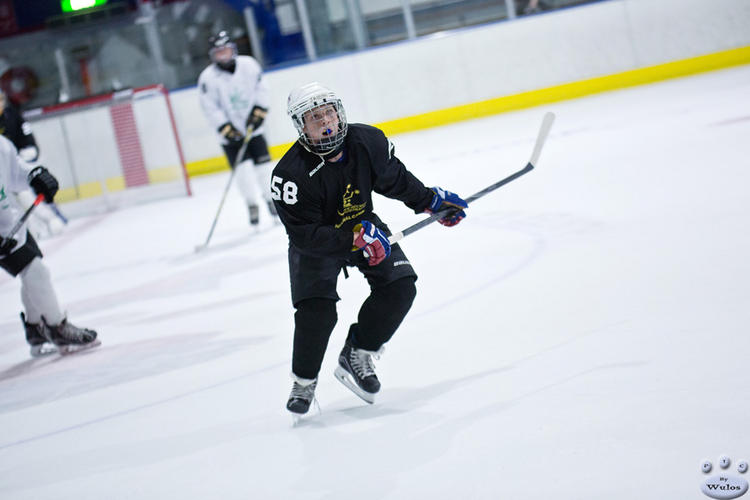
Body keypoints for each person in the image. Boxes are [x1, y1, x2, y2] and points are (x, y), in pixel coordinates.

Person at [272, 83, 468, 415]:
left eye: (330, 112)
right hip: (318, 243)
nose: (326, 121)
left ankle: (359, 352)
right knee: (316, 313)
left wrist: (430, 202)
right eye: (315, 117)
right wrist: (353, 239)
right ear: (300, 126)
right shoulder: (290, 175)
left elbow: (394, 179)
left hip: (364, 225)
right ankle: (304, 381)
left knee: (400, 286)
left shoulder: (367, 141)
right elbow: (306, 237)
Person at [0, 135, 99, 357]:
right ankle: (58, 327)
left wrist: (35, 175)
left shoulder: (1, 145)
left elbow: (16, 172)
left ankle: (37, 328)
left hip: (11, 226)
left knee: (34, 271)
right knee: (36, 271)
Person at [197, 30, 277, 226]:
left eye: (225, 50)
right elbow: (209, 107)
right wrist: (225, 128)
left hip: (253, 129)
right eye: (219, 52)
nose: (223, 55)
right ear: (213, 55)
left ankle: (270, 200)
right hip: (230, 136)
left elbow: (262, 89)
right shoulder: (207, 78)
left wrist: (259, 112)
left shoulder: (249, 65)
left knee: (264, 168)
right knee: (243, 174)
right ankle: (251, 203)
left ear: (232, 49)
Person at [0, 90, 64, 238]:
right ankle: (33, 231)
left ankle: (51, 219)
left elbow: (28, 142)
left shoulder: (12, 116)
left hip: (19, 163)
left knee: (26, 196)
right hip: (4, 170)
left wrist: (26, 159)